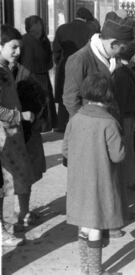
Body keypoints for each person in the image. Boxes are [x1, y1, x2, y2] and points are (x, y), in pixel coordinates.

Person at [62, 73, 125, 275]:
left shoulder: (75, 118)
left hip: (78, 183)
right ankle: (96, 272)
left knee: (83, 226)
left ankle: (85, 269)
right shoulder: (109, 123)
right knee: (97, 226)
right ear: (109, 95)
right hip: (100, 183)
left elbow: (65, 150)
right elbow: (118, 156)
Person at [0, 25, 35, 247]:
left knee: (10, 184)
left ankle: (9, 224)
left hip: (12, 136)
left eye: (19, 48)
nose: (17, 52)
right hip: (3, 139)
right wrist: (19, 115)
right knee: (4, 185)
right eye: (13, 47)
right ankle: (3, 230)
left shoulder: (5, 69)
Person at [63, 14, 134, 118]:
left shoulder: (114, 59)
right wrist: (86, 124)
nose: (123, 53)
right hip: (88, 126)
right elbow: (70, 100)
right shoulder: (80, 59)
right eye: (122, 48)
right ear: (113, 44)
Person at [112, 38, 135, 215]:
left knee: (128, 156)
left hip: (127, 119)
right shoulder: (123, 75)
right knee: (124, 158)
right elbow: (122, 103)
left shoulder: (125, 72)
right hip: (124, 120)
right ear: (134, 56)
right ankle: (122, 204)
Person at [53, 7, 95, 131]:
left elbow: (56, 50)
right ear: (87, 19)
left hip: (65, 64)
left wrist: (59, 63)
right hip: (84, 65)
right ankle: (79, 122)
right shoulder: (90, 30)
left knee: (64, 94)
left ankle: (61, 124)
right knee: (81, 93)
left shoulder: (62, 29)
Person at [20, 15, 56, 132]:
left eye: (39, 26)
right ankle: (41, 125)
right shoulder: (26, 40)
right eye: (35, 27)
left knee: (44, 101)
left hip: (41, 74)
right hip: (30, 75)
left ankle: (45, 125)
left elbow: (49, 58)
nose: (38, 30)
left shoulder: (43, 40)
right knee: (37, 101)